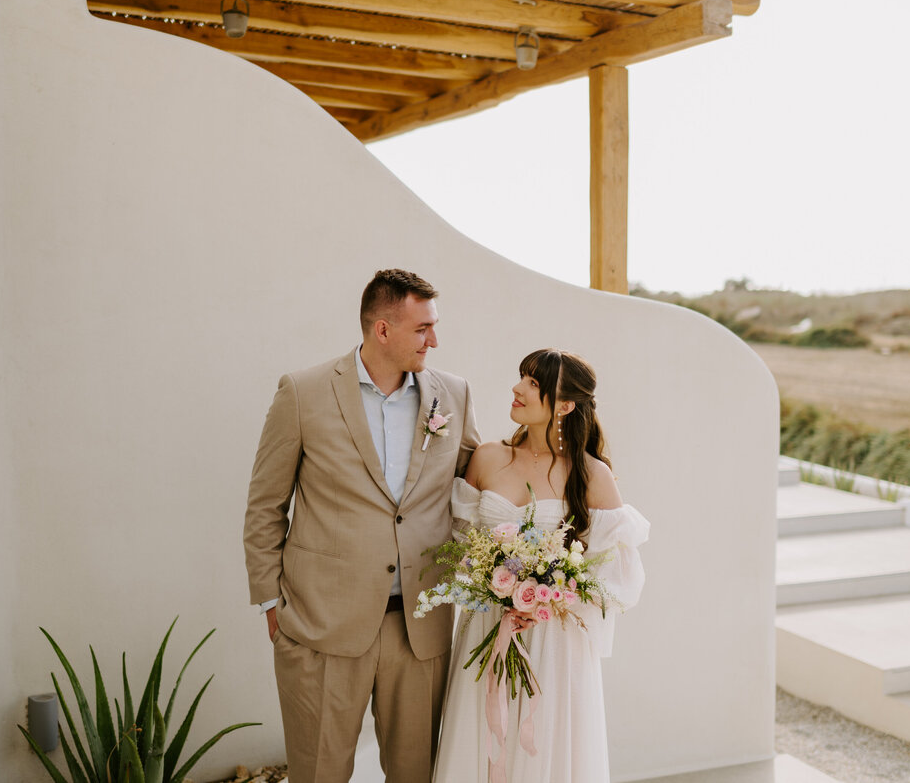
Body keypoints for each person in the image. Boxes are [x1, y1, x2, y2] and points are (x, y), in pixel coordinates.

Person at [243, 269, 480, 783]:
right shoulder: (303, 393)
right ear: (383, 329)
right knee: (319, 773)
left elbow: (477, 486)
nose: (434, 340)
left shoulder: (454, 395)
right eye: (423, 329)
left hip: (420, 629)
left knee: (417, 774)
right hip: (321, 626)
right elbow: (265, 504)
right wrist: (270, 602)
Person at [433, 349, 650, 783]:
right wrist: (488, 582)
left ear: (565, 405)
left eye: (533, 383)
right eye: (521, 378)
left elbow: (615, 575)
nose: (517, 389)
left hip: (553, 638)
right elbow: (457, 542)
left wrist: (553, 597)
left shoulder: (591, 475)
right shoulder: (488, 457)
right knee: (482, 734)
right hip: (487, 626)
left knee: (544, 746)